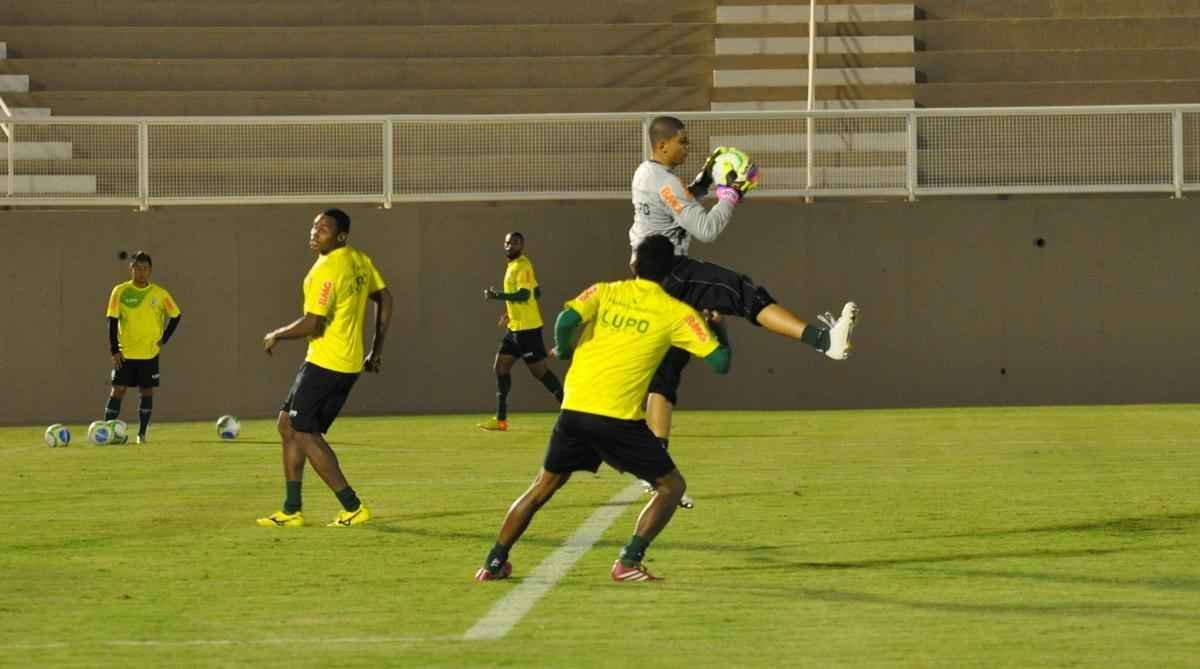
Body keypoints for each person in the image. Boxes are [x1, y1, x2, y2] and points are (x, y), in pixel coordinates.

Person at [629, 115, 859, 507]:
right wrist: (732, 193)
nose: (687, 147)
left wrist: (703, 183)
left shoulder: (648, 175)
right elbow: (705, 229)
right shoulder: (662, 180)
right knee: (744, 293)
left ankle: (656, 470)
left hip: (652, 278)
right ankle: (825, 342)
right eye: (682, 141)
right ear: (662, 144)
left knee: (665, 374)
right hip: (673, 274)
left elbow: (674, 207)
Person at [475, 234, 731, 583]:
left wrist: (564, 350)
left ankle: (493, 562)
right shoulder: (677, 313)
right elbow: (720, 363)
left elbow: (565, 321)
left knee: (541, 488)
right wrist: (719, 329)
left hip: (574, 408)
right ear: (670, 273)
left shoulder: (604, 291)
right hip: (617, 419)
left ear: (633, 264)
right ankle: (628, 561)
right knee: (672, 487)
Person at [257, 208, 392, 528]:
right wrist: (376, 349)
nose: (316, 232)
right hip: (335, 361)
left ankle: (353, 506)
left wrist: (277, 334)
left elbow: (312, 323)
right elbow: (385, 298)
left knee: (304, 430)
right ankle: (291, 510)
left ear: (341, 235)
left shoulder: (326, 269)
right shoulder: (359, 259)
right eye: (315, 226)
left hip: (327, 363)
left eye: (325, 229)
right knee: (287, 426)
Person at [477, 232, 564, 431]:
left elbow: (525, 294)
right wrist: (510, 312)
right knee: (500, 367)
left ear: (521, 245)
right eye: (507, 242)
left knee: (541, 373)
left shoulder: (522, 266)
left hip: (528, 330)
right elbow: (536, 292)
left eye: (515, 243)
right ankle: (500, 420)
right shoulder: (515, 266)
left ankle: (572, 413)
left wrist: (496, 295)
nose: (510, 246)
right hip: (515, 328)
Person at [104, 251, 182, 444]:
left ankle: (142, 433)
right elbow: (112, 321)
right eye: (138, 268)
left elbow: (176, 315)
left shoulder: (160, 293)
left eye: (145, 268)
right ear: (131, 269)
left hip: (149, 354)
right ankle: (106, 431)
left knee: (147, 391)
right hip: (125, 353)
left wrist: (164, 338)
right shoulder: (119, 291)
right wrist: (114, 350)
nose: (142, 272)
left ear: (150, 270)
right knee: (118, 390)